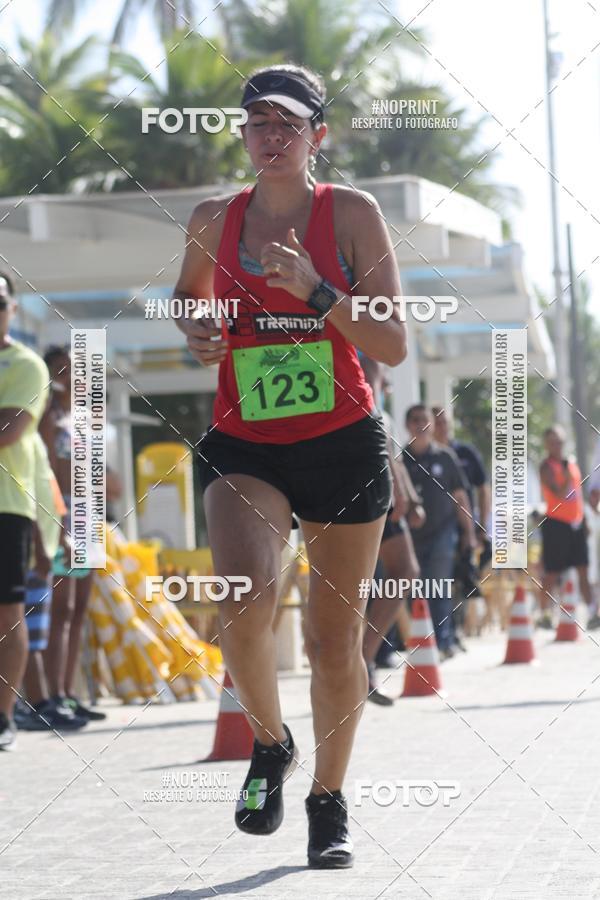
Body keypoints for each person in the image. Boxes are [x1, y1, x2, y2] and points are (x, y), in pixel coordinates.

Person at [173, 64, 407, 868]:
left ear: (318, 136)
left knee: (332, 644)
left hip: (341, 440)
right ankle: (270, 744)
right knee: (242, 598)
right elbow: (188, 296)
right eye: (259, 124)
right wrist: (197, 330)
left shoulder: (353, 213)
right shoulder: (213, 218)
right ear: (243, 134)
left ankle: (328, 799)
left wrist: (316, 293)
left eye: (289, 124)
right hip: (244, 440)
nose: (272, 137)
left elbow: (392, 343)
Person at [39, 346, 105, 722]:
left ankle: (69, 690)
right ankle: (52, 694)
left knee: (79, 607)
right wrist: (59, 518)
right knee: (60, 608)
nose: (70, 376)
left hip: (88, 514)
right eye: (61, 369)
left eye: (75, 369)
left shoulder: (84, 417)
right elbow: (47, 469)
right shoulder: (47, 416)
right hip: (62, 512)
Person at [0, 272, 49, 750]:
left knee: (8, 612)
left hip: (7, 506)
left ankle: (4, 715)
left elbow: (8, 429)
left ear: (13, 309)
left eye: (0, 302)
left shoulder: (26, 365)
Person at [359, 356, 425, 706]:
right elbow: (378, 440)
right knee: (389, 575)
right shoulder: (366, 362)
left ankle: (362, 662)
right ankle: (357, 664)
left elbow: (393, 455)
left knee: (403, 571)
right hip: (364, 485)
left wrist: (411, 497)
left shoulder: (384, 412)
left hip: (380, 488)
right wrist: (400, 492)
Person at [402, 404, 476, 659]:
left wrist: (469, 533)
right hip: (411, 538)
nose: (420, 424)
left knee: (440, 586)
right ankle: (422, 642)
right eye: (414, 420)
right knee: (416, 591)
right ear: (407, 425)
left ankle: (442, 642)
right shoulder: (401, 460)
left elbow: (460, 497)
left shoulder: (446, 457)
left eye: (424, 419)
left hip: (443, 533)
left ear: (432, 425)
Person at [432, 406, 490, 642]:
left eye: (445, 422)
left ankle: (455, 630)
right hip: (437, 528)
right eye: (437, 422)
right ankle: (446, 633)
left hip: (466, 526)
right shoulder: (425, 456)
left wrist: (481, 525)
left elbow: (483, 489)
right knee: (442, 579)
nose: (442, 427)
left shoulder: (465, 452)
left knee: (463, 577)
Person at [539, 425, 596, 629]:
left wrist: (584, 520)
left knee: (583, 569)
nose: (557, 446)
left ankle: (593, 613)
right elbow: (560, 494)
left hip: (576, 525)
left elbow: (577, 496)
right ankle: (544, 614)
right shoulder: (547, 467)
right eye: (553, 442)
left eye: (560, 442)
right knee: (553, 572)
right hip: (556, 524)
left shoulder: (571, 464)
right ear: (547, 444)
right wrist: (566, 475)